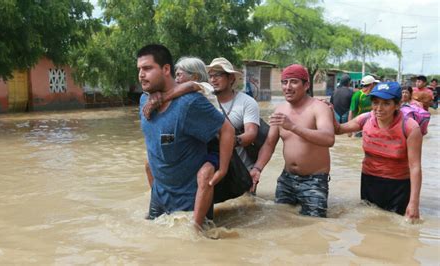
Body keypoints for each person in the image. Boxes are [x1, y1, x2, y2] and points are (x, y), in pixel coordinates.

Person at [137, 45, 234, 228]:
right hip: (159, 199)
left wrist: (223, 168)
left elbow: (227, 130)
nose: (141, 74)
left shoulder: (190, 103)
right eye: (139, 69)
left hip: (189, 203)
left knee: (193, 247)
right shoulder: (145, 101)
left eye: (148, 68)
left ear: (166, 70)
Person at [249, 64, 335, 217]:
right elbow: (269, 144)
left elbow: (328, 138)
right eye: (284, 82)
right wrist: (257, 169)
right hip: (286, 180)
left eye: (294, 82)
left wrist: (293, 127)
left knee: (315, 226)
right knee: (281, 221)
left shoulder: (319, 108)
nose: (287, 87)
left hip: (314, 180)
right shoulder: (280, 109)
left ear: (306, 85)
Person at [332, 82, 422, 219]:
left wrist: (414, 203)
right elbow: (338, 129)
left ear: (397, 105)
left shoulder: (410, 127)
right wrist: (327, 111)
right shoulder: (366, 119)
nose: (378, 108)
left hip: (398, 186)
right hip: (369, 181)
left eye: (386, 103)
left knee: (396, 229)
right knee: (368, 224)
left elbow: (415, 167)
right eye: (375, 102)